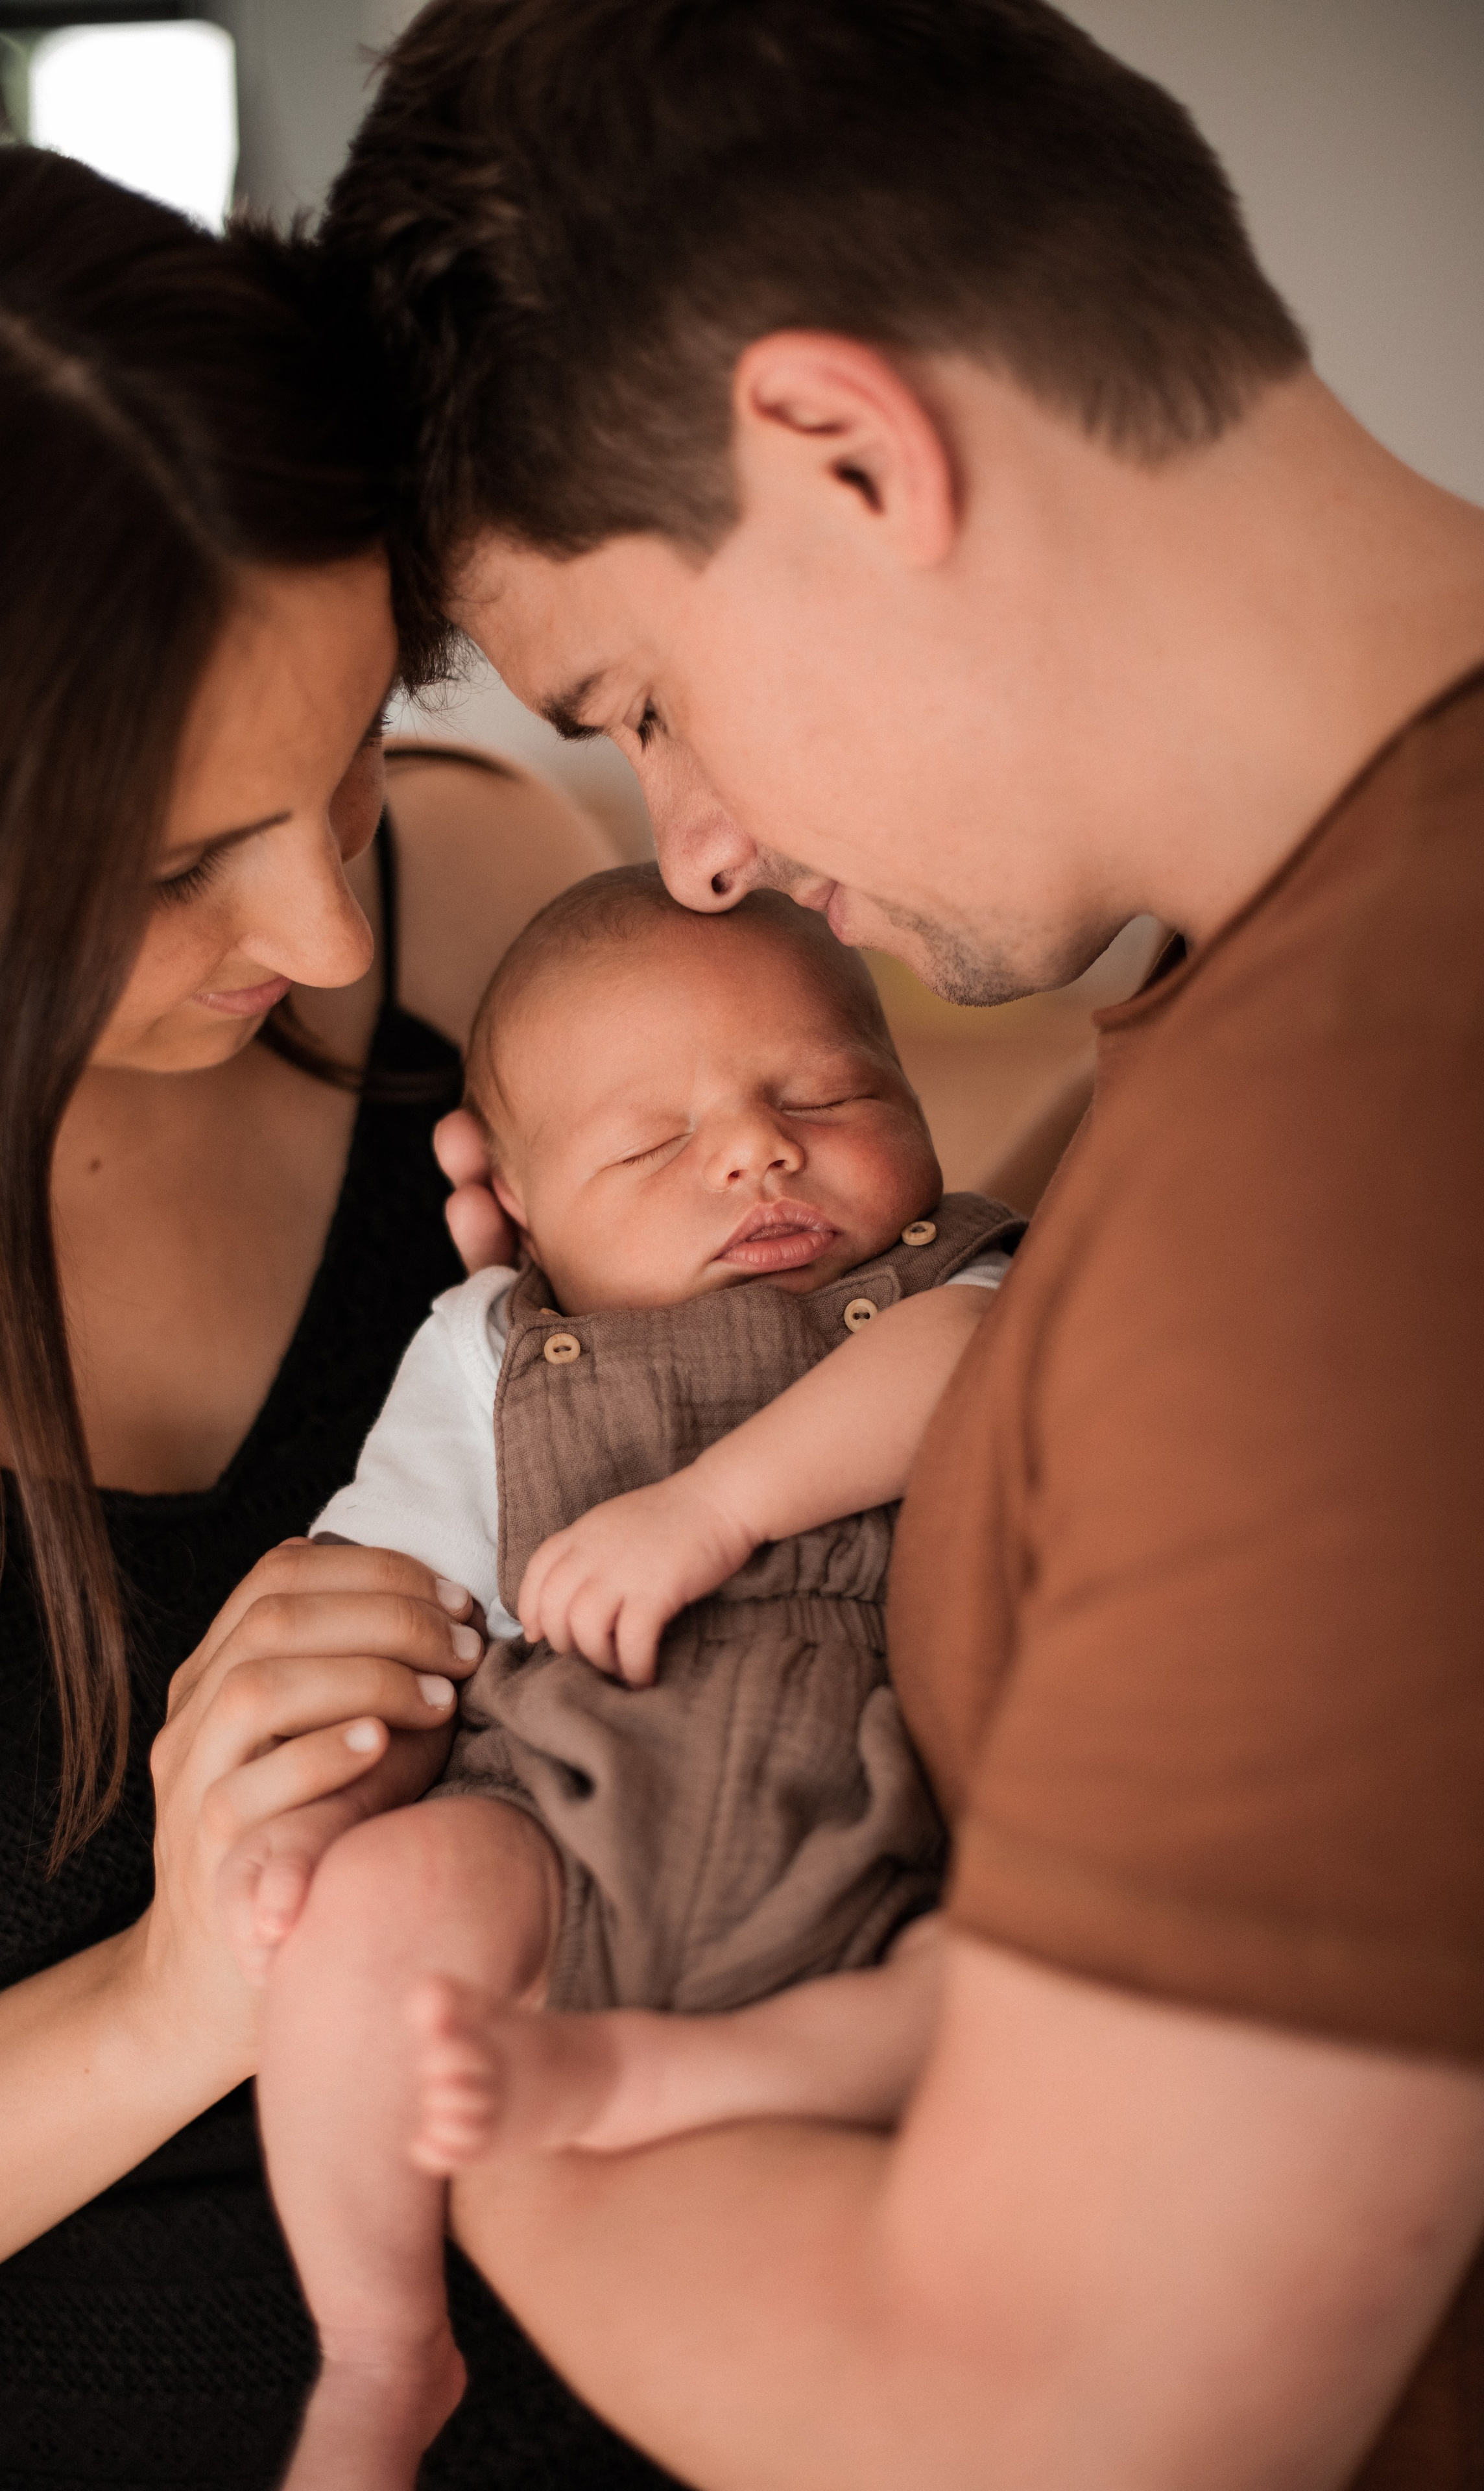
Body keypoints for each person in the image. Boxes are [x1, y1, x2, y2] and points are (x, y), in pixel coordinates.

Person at [318, 2, 1484, 2484]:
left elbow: (1028, 2432)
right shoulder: (1270, 1020)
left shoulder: (1354, 1133)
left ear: (846, 452)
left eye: (637, 699)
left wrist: (441, 2080)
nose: (700, 846)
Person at [0, 133, 686, 2491]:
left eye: (342, 765)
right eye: (173, 862)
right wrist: (171, 1995)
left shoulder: (494, 895)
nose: (326, 934)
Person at [240, 865, 1018, 2486]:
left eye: (826, 1091)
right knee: (363, 1923)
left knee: (990, 1998)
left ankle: (670, 2076)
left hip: (884, 1817)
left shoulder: (953, 1280)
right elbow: (386, 1585)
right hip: (565, 1813)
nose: (755, 1149)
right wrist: (305, 1804)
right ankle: (380, 2344)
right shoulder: (485, 1343)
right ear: (517, 1213)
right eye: (652, 1144)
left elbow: (962, 1378)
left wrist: (711, 1509)